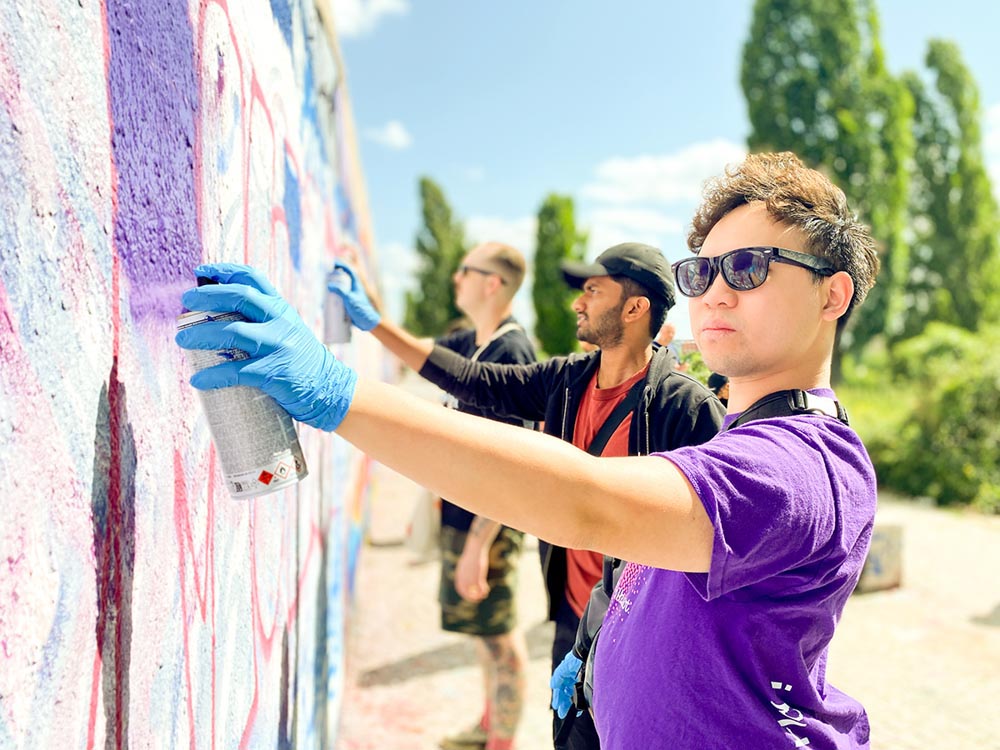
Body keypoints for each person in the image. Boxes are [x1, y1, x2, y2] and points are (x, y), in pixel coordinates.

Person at [176, 151, 881, 748]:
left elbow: (588, 503)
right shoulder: (728, 425)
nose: (718, 292)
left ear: (832, 296)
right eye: (704, 272)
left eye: (751, 268)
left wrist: (341, 394)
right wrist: (596, 643)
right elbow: (490, 392)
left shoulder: (800, 465)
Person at [330, 241, 725, 749]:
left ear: (634, 307)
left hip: (642, 635)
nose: (578, 303)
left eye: (592, 291)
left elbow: (714, 543)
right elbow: (473, 380)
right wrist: (376, 325)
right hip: (573, 624)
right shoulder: (566, 381)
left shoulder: (683, 408)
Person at [352, 241, 539, 750]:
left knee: (499, 637)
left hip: (492, 521)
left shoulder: (511, 351)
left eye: (465, 271)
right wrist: (370, 302)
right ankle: (487, 727)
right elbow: (414, 349)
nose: (455, 278)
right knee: (481, 634)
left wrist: (480, 543)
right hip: (462, 512)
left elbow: (514, 463)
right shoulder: (469, 341)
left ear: (491, 283)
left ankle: (502, 741)